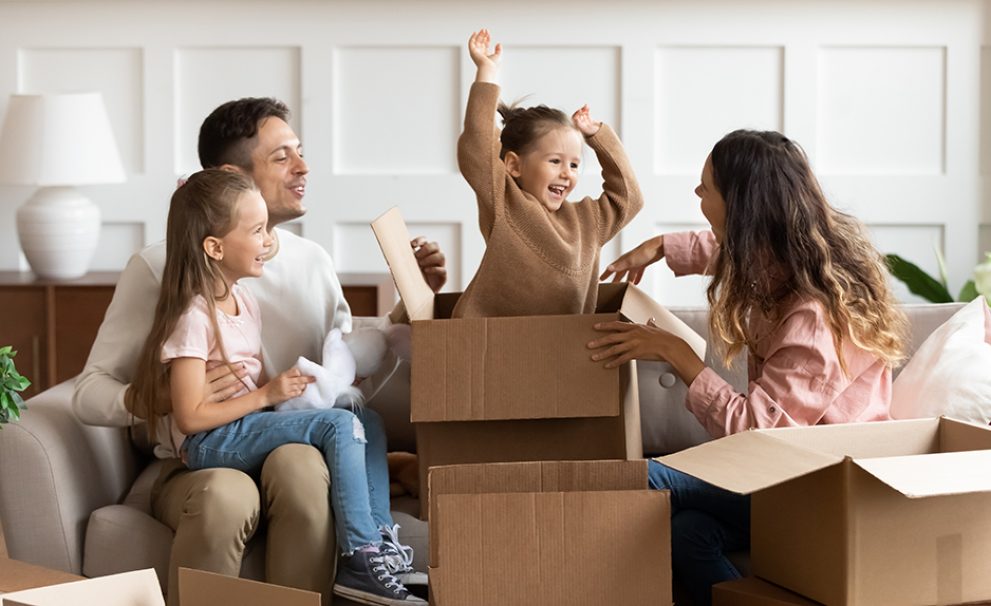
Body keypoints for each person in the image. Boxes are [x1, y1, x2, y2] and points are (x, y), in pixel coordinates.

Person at [72, 97, 445, 605]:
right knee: (228, 494)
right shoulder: (163, 267)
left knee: (301, 469)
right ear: (232, 176)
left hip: (291, 443)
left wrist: (409, 305)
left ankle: (366, 564)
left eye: (301, 152)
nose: (304, 167)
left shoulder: (312, 262)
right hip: (200, 456)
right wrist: (160, 396)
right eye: (282, 156)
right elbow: (87, 393)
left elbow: (346, 381)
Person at [588, 129, 908, 606]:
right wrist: (660, 247)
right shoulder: (789, 259)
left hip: (823, 487)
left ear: (744, 206)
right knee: (690, 532)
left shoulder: (815, 318)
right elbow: (732, 251)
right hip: (791, 475)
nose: (697, 195)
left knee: (647, 478)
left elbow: (759, 434)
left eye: (706, 189)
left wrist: (678, 355)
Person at [127, 168, 422, 605]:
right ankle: (360, 559)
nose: (268, 241)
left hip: (245, 424)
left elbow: (256, 378)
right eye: (258, 230)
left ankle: (382, 547)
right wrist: (266, 397)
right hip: (209, 442)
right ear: (215, 247)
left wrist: (300, 390)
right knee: (339, 426)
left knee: (364, 418)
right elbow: (189, 417)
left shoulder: (243, 300)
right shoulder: (193, 317)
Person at [453, 29, 643, 318]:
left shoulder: (588, 222)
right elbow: (478, 145)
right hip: (488, 342)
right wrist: (487, 72)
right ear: (514, 165)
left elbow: (629, 199)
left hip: (557, 347)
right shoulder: (505, 201)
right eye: (555, 161)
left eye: (575, 165)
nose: (567, 173)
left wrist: (598, 137)